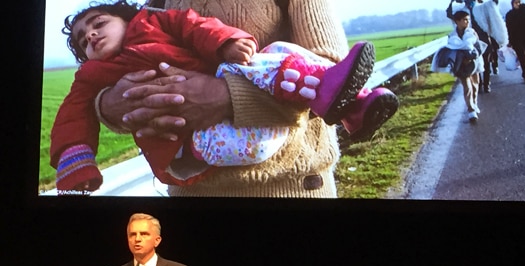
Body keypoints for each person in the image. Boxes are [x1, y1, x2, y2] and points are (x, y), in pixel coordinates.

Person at [51, 0, 398, 194]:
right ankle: (353, 108)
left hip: (289, 189)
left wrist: (227, 96)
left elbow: (330, 61)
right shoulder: (147, 13)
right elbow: (77, 111)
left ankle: (355, 109)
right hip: (193, 190)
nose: (92, 37)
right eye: (83, 40)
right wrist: (110, 105)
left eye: (97, 25)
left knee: (279, 54)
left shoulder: (154, 22)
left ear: (126, 19)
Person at [432, 10, 487, 122]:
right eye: (464, 20)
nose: (467, 22)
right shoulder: (452, 36)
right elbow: (451, 50)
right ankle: (471, 110)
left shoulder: (472, 32)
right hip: (461, 66)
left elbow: (478, 48)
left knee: (475, 85)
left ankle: (474, 102)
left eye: (468, 20)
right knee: (467, 87)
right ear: (457, 21)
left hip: (474, 63)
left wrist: (470, 57)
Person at [505, 0, 525, 84]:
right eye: (516, 3)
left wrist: (523, 6)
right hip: (516, 39)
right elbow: (509, 29)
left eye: (519, 2)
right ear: (512, 4)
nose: (518, 4)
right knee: (523, 58)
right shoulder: (509, 15)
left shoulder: (524, 11)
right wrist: (510, 41)